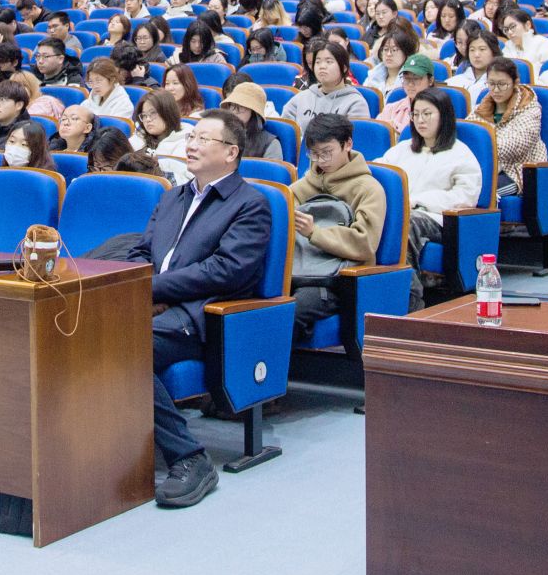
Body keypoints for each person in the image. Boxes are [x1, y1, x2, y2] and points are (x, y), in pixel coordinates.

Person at [125, 109, 272, 509]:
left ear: (231, 152)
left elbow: (225, 270)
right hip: (150, 303)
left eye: (203, 139)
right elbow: (142, 251)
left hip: (197, 315)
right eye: (191, 137)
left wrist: (154, 290)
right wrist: (133, 286)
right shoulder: (172, 196)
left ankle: (190, 457)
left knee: (122, 348)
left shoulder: (250, 204)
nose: (191, 145)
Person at [286, 113, 387, 346]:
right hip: (297, 270)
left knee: (294, 310)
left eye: (327, 152)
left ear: (348, 144)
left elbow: (365, 242)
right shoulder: (304, 185)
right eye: (314, 154)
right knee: (255, 302)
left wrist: (315, 233)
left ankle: (280, 367)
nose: (321, 160)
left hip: (336, 281)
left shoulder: (368, 189)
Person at [377, 87, 482, 305]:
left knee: (406, 224)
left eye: (427, 114)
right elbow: (379, 174)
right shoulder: (402, 149)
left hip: (438, 220)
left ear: (444, 116)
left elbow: (465, 197)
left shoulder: (460, 154)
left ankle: (410, 301)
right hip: (401, 213)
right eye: (415, 114)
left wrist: (419, 201)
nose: (420, 120)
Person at [473, 58, 544, 183]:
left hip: (516, 171)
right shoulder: (481, 108)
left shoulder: (529, 108)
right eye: (491, 84)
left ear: (515, 83)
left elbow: (516, 145)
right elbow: (468, 135)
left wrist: (480, 148)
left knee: (480, 189)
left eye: (502, 84)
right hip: (485, 167)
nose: (496, 90)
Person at [281, 40, 370, 126]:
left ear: (344, 68)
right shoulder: (301, 98)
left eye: (329, 62)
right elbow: (287, 130)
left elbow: (356, 134)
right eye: (318, 62)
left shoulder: (356, 103)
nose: (322, 66)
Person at [130, 89, 191, 182]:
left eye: (153, 113)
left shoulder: (185, 140)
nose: (148, 119)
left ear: (168, 112)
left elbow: (181, 179)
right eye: (144, 115)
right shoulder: (140, 135)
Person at [219, 81, 283, 161]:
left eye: (241, 106)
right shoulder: (220, 136)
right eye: (232, 105)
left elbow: (271, 169)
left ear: (254, 111)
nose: (235, 110)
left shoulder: (270, 144)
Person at [378, 52, 437, 137]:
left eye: (416, 79)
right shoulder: (390, 109)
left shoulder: (438, 111)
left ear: (430, 80)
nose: (410, 84)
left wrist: (398, 129)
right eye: (406, 78)